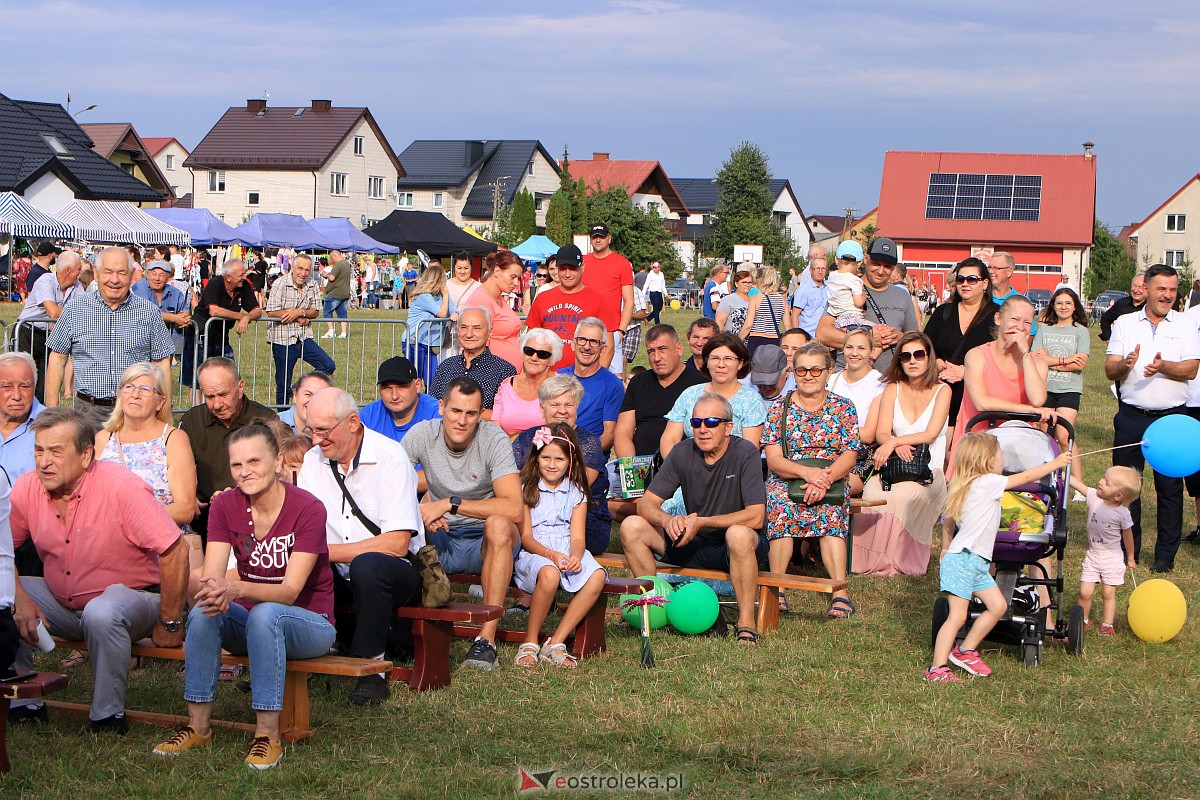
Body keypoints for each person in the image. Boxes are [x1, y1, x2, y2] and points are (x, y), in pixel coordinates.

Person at [153, 424, 335, 768]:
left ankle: (267, 734)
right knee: (207, 609)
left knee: (267, 613)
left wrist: (234, 588)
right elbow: (213, 573)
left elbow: (290, 591)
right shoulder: (225, 507)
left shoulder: (308, 508)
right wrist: (212, 588)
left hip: (309, 622)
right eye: (237, 465)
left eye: (254, 461)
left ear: (278, 460)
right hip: (251, 622)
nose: (245, 472)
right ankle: (197, 727)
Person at [9, 407, 188, 730]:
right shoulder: (26, 488)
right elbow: (1, 551)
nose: (44, 461)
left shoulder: (122, 487)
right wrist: (20, 596)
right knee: (4, 594)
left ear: (86, 454)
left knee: (102, 611)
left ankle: (107, 715)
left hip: (135, 600)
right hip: (62, 601)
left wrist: (171, 621)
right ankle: (22, 701)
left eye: (56, 451)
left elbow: (175, 549)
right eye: (39, 450)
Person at [296, 389, 427, 705]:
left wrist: (321, 554)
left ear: (353, 422)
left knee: (367, 564)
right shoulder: (313, 460)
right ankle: (287, 663)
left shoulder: (391, 457)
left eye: (323, 431)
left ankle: (372, 673)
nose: (315, 440)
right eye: (310, 430)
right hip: (339, 573)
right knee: (297, 561)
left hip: (397, 573)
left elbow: (396, 544)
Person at [620, 392, 767, 643]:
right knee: (631, 526)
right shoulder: (682, 452)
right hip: (691, 539)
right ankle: (654, 607)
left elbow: (756, 517)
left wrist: (701, 521)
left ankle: (746, 622)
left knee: (739, 533)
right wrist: (667, 520)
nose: (702, 429)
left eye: (711, 423)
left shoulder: (745, 453)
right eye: (696, 423)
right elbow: (646, 503)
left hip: (732, 546)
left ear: (728, 427)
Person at [926, 432, 1071, 682]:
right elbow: (1024, 478)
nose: (1003, 459)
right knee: (957, 616)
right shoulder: (987, 482)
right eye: (1000, 454)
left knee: (999, 606)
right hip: (964, 561)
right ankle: (937, 668)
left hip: (976, 563)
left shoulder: (966, 484)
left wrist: (945, 545)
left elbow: (948, 521)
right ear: (988, 461)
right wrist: (1054, 465)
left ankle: (966, 650)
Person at [402, 378, 522, 669]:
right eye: (456, 411)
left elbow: (514, 507)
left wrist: (450, 503)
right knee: (400, 529)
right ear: (441, 407)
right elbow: (390, 487)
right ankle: (402, 629)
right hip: (441, 535)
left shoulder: (493, 439)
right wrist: (420, 512)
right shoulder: (422, 434)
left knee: (499, 524)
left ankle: (486, 638)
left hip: (486, 540)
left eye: (471, 413)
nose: (462, 420)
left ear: (481, 414)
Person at [1106, 263, 1200, 572]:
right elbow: (1110, 368)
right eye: (1161, 289)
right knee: (1125, 487)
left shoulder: (1185, 324)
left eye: (1173, 290)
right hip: (1132, 416)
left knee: (1170, 489)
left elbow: (1191, 369)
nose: (1167, 295)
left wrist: (1163, 367)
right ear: (1146, 288)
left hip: (1172, 419)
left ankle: (1164, 558)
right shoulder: (1124, 322)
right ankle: (1128, 550)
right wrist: (1126, 365)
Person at [762, 342, 859, 618]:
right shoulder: (779, 408)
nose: (808, 375)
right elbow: (774, 459)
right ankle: (776, 588)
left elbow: (849, 455)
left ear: (829, 371)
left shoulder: (843, 407)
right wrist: (807, 474)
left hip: (832, 477)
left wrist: (823, 481)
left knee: (830, 512)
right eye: (802, 369)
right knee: (780, 505)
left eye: (816, 369)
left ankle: (839, 591)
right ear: (793, 371)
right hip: (789, 475)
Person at [854, 332, 952, 576]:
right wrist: (892, 444)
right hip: (895, 469)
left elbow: (930, 434)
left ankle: (897, 559)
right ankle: (867, 560)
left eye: (919, 354)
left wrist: (895, 442)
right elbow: (881, 433)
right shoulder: (892, 389)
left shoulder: (943, 391)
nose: (912, 360)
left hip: (928, 472)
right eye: (905, 356)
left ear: (929, 359)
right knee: (873, 491)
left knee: (907, 495)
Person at [511, 424, 606, 668]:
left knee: (596, 575)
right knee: (550, 574)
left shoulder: (576, 492)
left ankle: (556, 641)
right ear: (537, 458)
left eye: (559, 459)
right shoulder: (526, 489)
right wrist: (551, 555)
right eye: (546, 457)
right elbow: (527, 537)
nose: (552, 464)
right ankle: (530, 641)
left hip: (566, 546)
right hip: (537, 550)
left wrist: (575, 555)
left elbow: (577, 537)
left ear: (570, 461)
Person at [44, 247, 175, 412]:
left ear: (131, 275)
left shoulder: (149, 312)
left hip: (135, 411)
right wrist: (52, 410)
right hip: (88, 414)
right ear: (96, 273)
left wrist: (165, 411)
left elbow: (162, 362)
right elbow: (57, 358)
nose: (114, 280)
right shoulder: (74, 310)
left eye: (121, 273)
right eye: (108, 272)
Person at [512, 374, 613, 557]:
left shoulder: (589, 442)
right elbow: (512, 481)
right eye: (555, 404)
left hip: (580, 520)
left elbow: (578, 486)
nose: (562, 411)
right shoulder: (527, 438)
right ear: (542, 409)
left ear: (577, 408)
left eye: (569, 405)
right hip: (532, 515)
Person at [949, 296, 1051, 473]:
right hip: (977, 442)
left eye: (1027, 322)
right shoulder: (976, 355)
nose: (1020, 327)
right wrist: (1029, 411)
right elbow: (981, 402)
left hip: (1018, 446)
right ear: (998, 319)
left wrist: (1025, 353)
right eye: (1014, 319)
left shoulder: (1038, 363)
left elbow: (1037, 399)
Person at [179, 358, 278, 539]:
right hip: (204, 516)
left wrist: (238, 495)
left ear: (240, 388)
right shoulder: (193, 420)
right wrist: (186, 497)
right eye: (209, 397)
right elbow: (176, 467)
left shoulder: (266, 420)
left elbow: (279, 473)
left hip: (255, 515)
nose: (217, 405)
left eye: (223, 395)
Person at [96, 362, 197, 532]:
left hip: (159, 542)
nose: (135, 394)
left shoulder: (173, 440)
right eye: (129, 387)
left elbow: (185, 509)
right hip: (109, 542)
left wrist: (134, 520)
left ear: (160, 401)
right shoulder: (103, 438)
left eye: (145, 389)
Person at [816, 237, 918, 373]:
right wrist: (867, 337)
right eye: (876, 263)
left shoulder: (902, 294)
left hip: (890, 381)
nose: (881, 271)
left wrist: (898, 337)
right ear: (865, 258)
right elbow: (823, 333)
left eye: (887, 266)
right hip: (850, 381)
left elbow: (915, 337)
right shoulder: (845, 287)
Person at [922, 257, 999, 428]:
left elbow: (1004, 358)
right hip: (944, 394)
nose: (965, 284)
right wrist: (938, 363)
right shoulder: (944, 312)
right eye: (960, 279)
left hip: (981, 397)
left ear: (985, 283)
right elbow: (924, 346)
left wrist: (966, 371)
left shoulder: (998, 315)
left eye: (972, 279)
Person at [662, 333, 766, 457]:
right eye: (715, 358)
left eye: (728, 359)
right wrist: (676, 468)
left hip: (733, 470)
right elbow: (669, 439)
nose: (721, 364)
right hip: (688, 468)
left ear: (740, 363)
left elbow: (750, 449)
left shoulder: (751, 400)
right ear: (707, 361)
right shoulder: (690, 394)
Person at [1066, 466, 1139, 635]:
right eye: (1103, 477)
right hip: (1093, 555)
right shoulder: (1094, 497)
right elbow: (1076, 483)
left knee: (1108, 593)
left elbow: (1128, 537)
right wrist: (1063, 472)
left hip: (1111, 559)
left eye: (1106, 482)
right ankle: (1083, 620)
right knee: (1084, 592)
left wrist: (1130, 557)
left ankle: (1107, 624)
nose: (1100, 482)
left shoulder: (1123, 514)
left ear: (1118, 496)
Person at [1031, 288, 1091, 483]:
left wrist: (1049, 360)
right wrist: (1067, 359)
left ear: (1074, 306)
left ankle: (1078, 483)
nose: (1063, 307)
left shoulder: (1080, 332)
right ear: (1053, 306)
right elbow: (1035, 360)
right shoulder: (1044, 330)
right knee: (1043, 436)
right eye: (1059, 303)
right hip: (1043, 389)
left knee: (1064, 436)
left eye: (1068, 303)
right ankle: (1045, 478)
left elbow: (1080, 364)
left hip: (1069, 390)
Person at [525, 244, 615, 370]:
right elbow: (530, 340)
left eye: (572, 268)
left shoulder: (598, 300)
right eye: (562, 269)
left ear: (582, 267)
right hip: (547, 378)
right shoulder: (542, 298)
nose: (567, 274)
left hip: (583, 378)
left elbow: (608, 346)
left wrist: (596, 378)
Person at [263, 254, 334, 406]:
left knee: (328, 365)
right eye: (300, 269)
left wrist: (301, 312)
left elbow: (315, 311)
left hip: (303, 336)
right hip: (282, 339)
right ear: (292, 268)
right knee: (283, 381)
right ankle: (283, 418)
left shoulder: (313, 284)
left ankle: (300, 387)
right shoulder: (279, 284)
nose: (303, 273)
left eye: (307, 270)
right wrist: (295, 314)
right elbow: (271, 311)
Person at [14, 251, 83, 403]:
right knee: (23, 377)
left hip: (49, 337)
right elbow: (52, 311)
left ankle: (39, 418)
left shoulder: (76, 286)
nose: (81, 272)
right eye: (79, 268)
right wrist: (74, 313)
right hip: (27, 332)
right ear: (68, 270)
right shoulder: (45, 280)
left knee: (45, 385)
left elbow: (84, 309)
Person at [825, 329, 885, 494]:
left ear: (871, 352)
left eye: (861, 348)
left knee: (829, 487)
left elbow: (868, 434)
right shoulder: (831, 380)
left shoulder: (879, 383)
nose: (855, 353)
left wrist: (830, 429)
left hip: (860, 456)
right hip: (828, 451)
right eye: (850, 347)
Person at [428, 307, 517, 412]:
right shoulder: (446, 366)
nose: (469, 334)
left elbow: (506, 416)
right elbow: (432, 407)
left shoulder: (504, 371)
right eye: (464, 327)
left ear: (489, 332)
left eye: (476, 328)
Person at [558, 318, 624, 452]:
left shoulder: (612, 385)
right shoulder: (558, 378)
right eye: (582, 340)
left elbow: (609, 435)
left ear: (603, 349)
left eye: (594, 342)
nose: (587, 347)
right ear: (573, 344)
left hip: (588, 459)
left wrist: (579, 457)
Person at [582, 223, 634, 372]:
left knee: (614, 379)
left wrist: (621, 331)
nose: (598, 240)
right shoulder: (583, 262)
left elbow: (629, 300)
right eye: (595, 237)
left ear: (609, 239)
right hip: (586, 329)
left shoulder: (622, 263)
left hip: (612, 330)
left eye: (602, 237)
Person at [491, 329, 563, 437]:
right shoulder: (507, 385)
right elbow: (495, 428)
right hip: (509, 450)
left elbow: (563, 429)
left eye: (542, 354)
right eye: (529, 351)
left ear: (551, 359)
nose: (534, 358)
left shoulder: (561, 387)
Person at [193, 258, 262, 364]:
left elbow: (257, 311)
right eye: (241, 275)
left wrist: (247, 317)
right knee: (196, 376)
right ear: (228, 277)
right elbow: (214, 311)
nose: (244, 277)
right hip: (200, 336)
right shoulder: (214, 283)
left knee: (229, 374)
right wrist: (240, 316)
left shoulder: (244, 286)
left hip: (222, 338)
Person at [359, 356, 442, 444]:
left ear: (417, 385)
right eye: (387, 388)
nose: (394, 396)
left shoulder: (437, 415)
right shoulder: (368, 417)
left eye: (401, 387)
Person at [465, 251, 525, 371]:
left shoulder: (498, 298)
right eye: (512, 277)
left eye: (518, 278)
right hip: (492, 378)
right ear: (497, 271)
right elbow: (473, 347)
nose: (516, 283)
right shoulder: (481, 300)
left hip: (505, 377)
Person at [406, 266, 458, 383]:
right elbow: (442, 313)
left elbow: (453, 309)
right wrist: (445, 295)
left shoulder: (441, 295)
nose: (445, 283)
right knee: (415, 378)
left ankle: (430, 399)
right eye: (443, 279)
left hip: (430, 343)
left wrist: (454, 313)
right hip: (415, 341)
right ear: (435, 280)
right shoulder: (424, 297)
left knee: (433, 380)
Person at [739, 266, 788, 356]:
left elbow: (748, 325)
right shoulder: (782, 299)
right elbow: (788, 326)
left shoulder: (756, 298)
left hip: (757, 339)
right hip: (775, 340)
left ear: (762, 279)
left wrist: (738, 340)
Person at [826, 240, 869, 332]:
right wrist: (864, 296)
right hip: (852, 317)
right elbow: (858, 303)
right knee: (873, 332)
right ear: (859, 263)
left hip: (837, 318)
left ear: (836, 260)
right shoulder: (855, 280)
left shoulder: (832, 276)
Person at [1098, 273, 1146, 342]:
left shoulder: (1151, 306)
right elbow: (1105, 319)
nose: (1136, 290)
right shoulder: (1122, 304)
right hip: (1122, 349)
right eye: (1134, 286)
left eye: (1140, 287)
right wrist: (1108, 339)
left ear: (1147, 289)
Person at [789, 257, 828, 337]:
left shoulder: (830, 288)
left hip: (825, 337)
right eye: (817, 268)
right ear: (811, 270)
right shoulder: (803, 290)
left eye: (823, 269)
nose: (820, 271)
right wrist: (797, 337)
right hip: (808, 336)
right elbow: (795, 315)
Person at [321, 249, 352, 339]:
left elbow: (332, 278)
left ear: (334, 256)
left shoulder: (338, 265)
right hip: (345, 292)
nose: (331, 259)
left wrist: (325, 274)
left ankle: (331, 331)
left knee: (327, 312)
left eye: (331, 257)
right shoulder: (346, 264)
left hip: (335, 293)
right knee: (342, 314)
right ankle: (343, 333)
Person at [714, 268, 755, 335]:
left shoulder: (754, 300)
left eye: (750, 282)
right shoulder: (728, 300)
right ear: (736, 284)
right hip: (732, 339)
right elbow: (720, 321)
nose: (747, 285)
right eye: (744, 282)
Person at [644, 261, 666, 326]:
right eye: (653, 267)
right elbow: (646, 285)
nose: (654, 269)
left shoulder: (661, 274)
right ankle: (657, 322)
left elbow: (663, 284)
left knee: (659, 307)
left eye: (655, 267)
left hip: (659, 293)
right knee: (656, 308)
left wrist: (665, 293)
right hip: (653, 293)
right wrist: (642, 294)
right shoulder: (650, 275)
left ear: (659, 268)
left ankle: (648, 318)